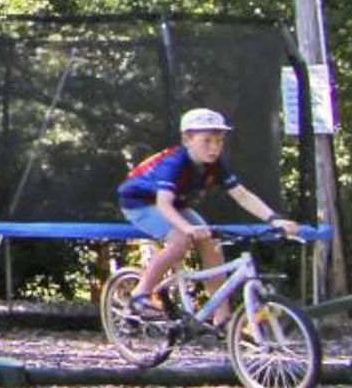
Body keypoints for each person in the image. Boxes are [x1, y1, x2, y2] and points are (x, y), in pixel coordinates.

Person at [117, 109, 299, 312]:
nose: (214, 147)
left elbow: (242, 195)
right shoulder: (175, 162)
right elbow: (163, 204)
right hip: (140, 203)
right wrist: (187, 228)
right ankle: (140, 293)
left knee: (212, 245)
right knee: (180, 241)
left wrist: (274, 219)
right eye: (207, 141)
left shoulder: (215, 165)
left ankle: (221, 317)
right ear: (187, 139)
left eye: (219, 141)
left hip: (176, 204)